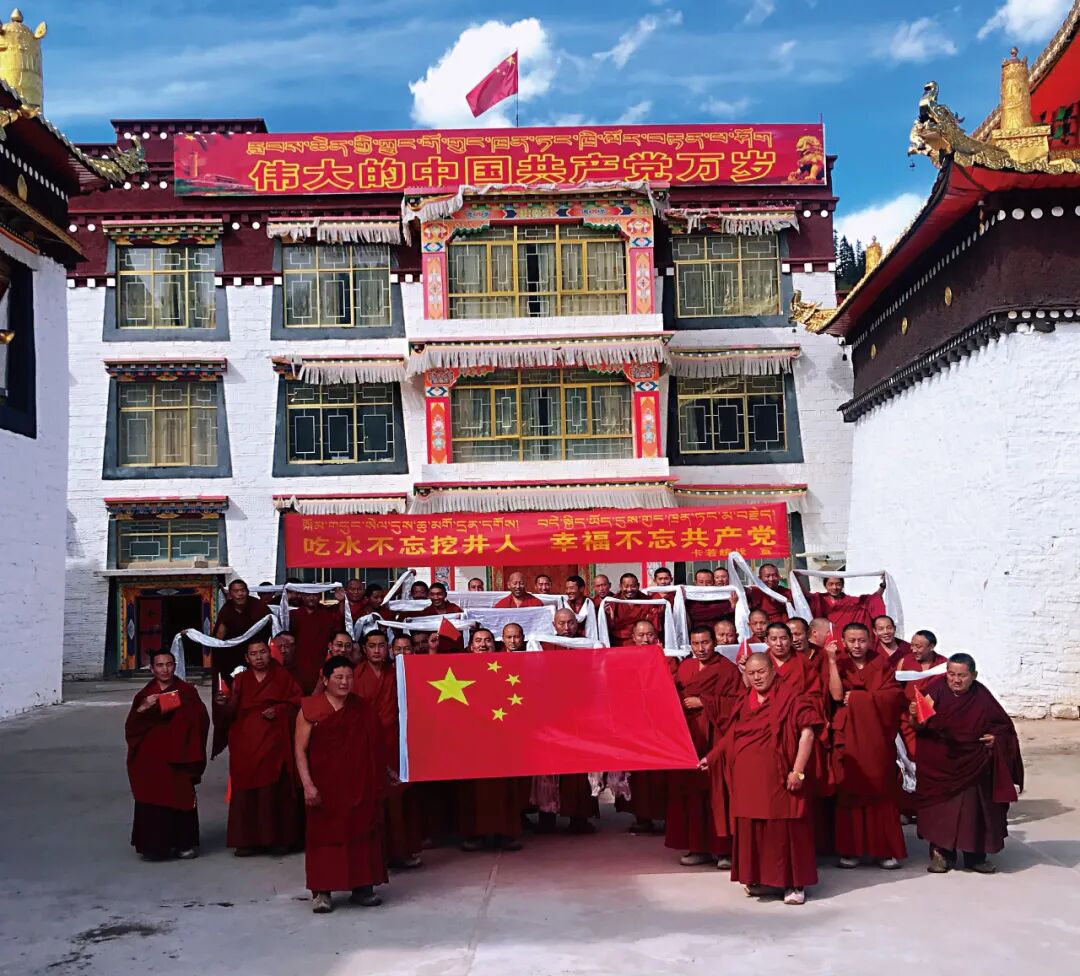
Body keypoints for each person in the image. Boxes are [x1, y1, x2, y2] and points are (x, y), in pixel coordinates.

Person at [719, 652, 820, 905]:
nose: (757, 677)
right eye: (751, 673)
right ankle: (763, 880)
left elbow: (807, 734)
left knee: (785, 828)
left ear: (773, 671)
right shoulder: (745, 700)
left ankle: (794, 884)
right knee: (754, 828)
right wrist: (710, 758)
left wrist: (798, 771)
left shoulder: (791, 696)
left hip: (781, 776)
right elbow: (731, 735)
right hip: (749, 779)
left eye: (761, 672)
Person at [912, 653, 1024, 874]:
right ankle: (941, 855)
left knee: (975, 812)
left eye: (962, 675)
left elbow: (1004, 728)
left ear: (974, 675)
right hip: (941, 765)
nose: (956, 680)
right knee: (941, 812)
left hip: (974, 765)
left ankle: (975, 857)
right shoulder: (935, 690)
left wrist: (996, 739)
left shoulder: (982, 696)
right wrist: (914, 716)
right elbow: (919, 726)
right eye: (951, 674)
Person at [295, 655, 389, 913]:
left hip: (360, 784)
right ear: (325, 680)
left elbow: (375, 746)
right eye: (338, 677)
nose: (345, 682)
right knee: (324, 838)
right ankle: (322, 892)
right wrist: (308, 785)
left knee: (362, 833)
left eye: (349, 677)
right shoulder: (310, 709)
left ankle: (363, 888)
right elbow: (300, 750)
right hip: (325, 786)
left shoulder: (363, 708)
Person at [824, 623, 907, 870]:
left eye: (861, 640)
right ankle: (852, 850)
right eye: (852, 641)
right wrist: (831, 661)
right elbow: (836, 696)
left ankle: (883, 850)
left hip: (875, 737)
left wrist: (859, 698)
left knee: (879, 788)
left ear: (870, 640)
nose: (857, 645)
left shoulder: (881, 664)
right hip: (847, 734)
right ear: (844, 642)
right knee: (849, 789)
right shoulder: (839, 663)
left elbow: (893, 696)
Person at [215, 639, 303, 856]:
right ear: (247, 658)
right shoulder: (240, 680)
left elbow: (297, 702)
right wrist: (222, 704)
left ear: (269, 654)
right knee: (246, 790)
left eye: (262, 652)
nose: (259, 657)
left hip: (275, 742)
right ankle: (248, 841)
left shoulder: (282, 676)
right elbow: (231, 712)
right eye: (253, 654)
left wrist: (279, 710)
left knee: (276, 790)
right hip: (246, 743)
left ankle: (278, 840)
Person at [666, 626, 742, 867]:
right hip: (689, 739)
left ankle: (723, 850)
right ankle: (697, 847)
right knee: (691, 795)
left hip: (715, 739)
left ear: (714, 643)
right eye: (696, 644)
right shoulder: (685, 667)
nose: (701, 648)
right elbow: (671, 695)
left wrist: (704, 701)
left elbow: (737, 704)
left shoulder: (727, 669)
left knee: (718, 794)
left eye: (705, 643)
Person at [125, 649, 210, 861]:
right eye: (160, 665)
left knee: (181, 797)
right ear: (152, 669)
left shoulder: (187, 692)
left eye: (169, 664)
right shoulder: (144, 695)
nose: (165, 669)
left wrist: (176, 709)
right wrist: (144, 708)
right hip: (151, 758)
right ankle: (154, 846)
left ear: (175, 666)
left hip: (179, 756)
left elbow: (200, 719)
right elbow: (132, 728)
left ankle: (184, 843)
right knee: (151, 799)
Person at [455, 630, 530, 853]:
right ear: (470, 646)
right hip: (471, 740)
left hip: (501, 737)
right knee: (472, 791)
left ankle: (505, 833)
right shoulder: (459, 668)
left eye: (487, 640)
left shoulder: (505, 666)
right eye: (478, 641)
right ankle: (474, 835)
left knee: (502, 789)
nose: (483, 644)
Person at [354, 631, 422, 871]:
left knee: (398, 800)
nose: (377, 651)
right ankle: (374, 856)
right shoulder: (355, 675)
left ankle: (401, 852)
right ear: (364, 649)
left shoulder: (397, 674)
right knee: (372, 801)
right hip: (365, 743)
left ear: (388, 649)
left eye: (381, 646)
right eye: (372, 646)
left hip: (395, 742)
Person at [895, 630, 948, 757]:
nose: (913, 650)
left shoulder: (944, 664)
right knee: (913, 754)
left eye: (918, 646)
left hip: (935, 718)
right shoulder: (905, 662)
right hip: (910, 717)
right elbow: (896, 688)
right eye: (912, 645)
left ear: (931, 646)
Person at [212, 579, 272, 688]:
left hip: (256, 652)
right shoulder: (227, 609)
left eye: (243, 590)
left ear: (247, 592)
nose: (240, 594)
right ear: (230, 594)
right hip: (234, 654)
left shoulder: (258, 606)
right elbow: (219, 637)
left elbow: (272, 625)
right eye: (236, 591)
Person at [289, 592, 337, 695]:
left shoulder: (327, 615)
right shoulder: (293, 615)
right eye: (308, 595)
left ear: (320, 596)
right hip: (298, 662)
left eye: (315, 595)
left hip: (320, 660)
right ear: (302, 596)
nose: (311, 598)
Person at [808, 575, 887, 632]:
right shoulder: (818, 599)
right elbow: (802, 596)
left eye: (838, 584)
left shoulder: (852, 601)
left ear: (843, 585)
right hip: (826, 639)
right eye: (831, 584)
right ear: (825, 586)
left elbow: (872, 599)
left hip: (849, 639)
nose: (834, 587)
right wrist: (799, 577)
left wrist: (883, 585)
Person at [605, 573, 663, 646]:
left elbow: (654, 625)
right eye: (626, 586)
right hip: (621, 642)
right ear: (620, 586)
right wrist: (610, 617)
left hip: (643, 641)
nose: (629, 590)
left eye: (633, 586)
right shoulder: (613, 602)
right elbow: (608, 627)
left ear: (638, 586)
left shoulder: (647, 601)